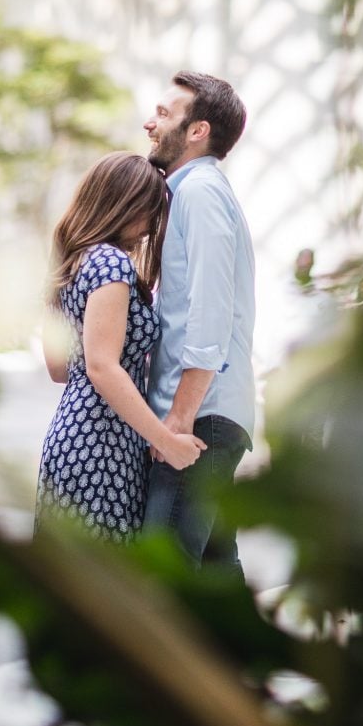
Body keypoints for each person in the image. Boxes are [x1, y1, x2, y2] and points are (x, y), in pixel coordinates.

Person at [35, 152, 206, 541]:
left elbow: (61, 370)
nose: (149, 227)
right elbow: (102, 366)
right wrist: (167, 442)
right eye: (147, 211)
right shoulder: (112, 264)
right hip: (104, 445)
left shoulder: (74, 261)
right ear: (122, 205)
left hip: (73, 435)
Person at [142, 71, 255, 571]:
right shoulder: (194, 191)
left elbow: (211, 311)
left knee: (161, 580)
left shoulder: (200, 193)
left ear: (197, 130)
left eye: (164, 114)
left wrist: (178, 420)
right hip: (209, 416)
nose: (150, 123)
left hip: (199, 420)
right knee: (212, 575)